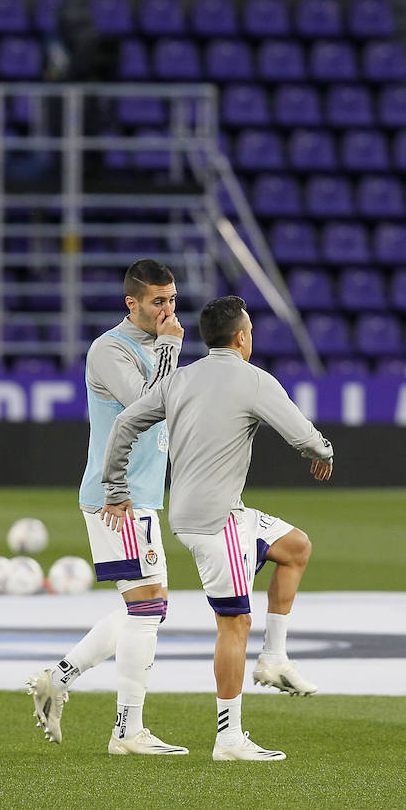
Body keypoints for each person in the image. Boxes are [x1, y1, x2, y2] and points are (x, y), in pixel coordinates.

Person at [100, 295, 334, 761]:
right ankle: (228, 738)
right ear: (242, 337)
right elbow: (302, 435)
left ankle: (274, 660)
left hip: (200, 514)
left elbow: (124, 423)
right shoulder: (253, 380)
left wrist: (114, 487)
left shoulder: (180, 379)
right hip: (216, 521)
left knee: (295, 547)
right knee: (234, 621)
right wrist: (323, 452)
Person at [25, 260, 189, 756]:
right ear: (131, 303)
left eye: (172, 299)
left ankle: (58, 678)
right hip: (116, 495)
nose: (168, 310)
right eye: (158, 301)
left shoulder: (156, 348)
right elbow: (147, 403)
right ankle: (127, 731)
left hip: (139, 494)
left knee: (146, 607)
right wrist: (172, 346)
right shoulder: (110, 349)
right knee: (146, 607)